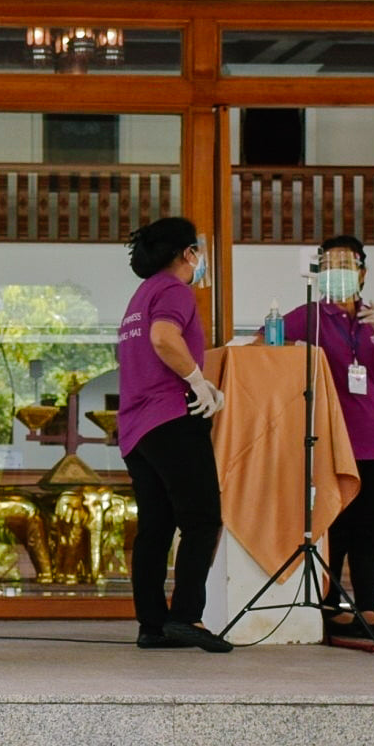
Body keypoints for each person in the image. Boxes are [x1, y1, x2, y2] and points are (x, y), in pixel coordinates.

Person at [279, 234, 374, 642]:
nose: (340, 274)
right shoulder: (309, 316)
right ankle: (329, 607)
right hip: (331, 438)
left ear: (362, 273)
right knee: (334, 525)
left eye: (348, 266)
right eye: (331, 267)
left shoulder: (373, 316)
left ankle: (367, 607)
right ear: (320, 274)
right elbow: (265, 343)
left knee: (370, 527)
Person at [116, 216, 232, 653]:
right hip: (170, 419)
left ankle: (153, 625)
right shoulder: (174, 290)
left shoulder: (140, 295)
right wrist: (198, 381)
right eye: (197, 250)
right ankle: (185, 616)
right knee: (202, 518)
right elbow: (164, 338)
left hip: (136, 427)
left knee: (156, 527)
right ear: (188, 253)